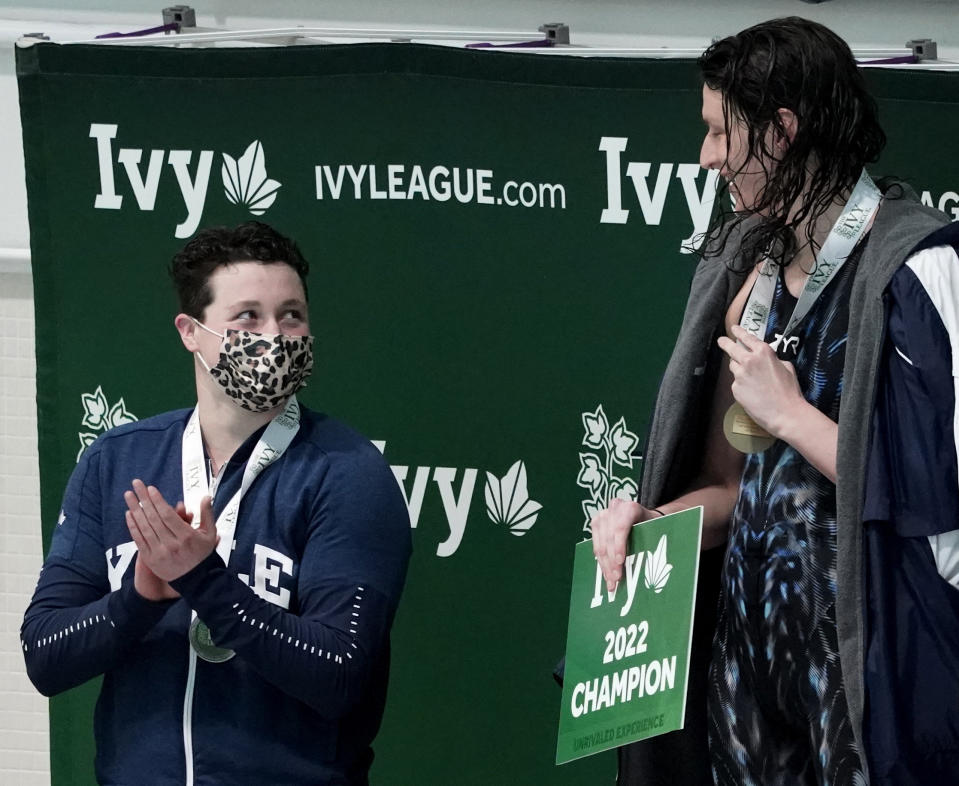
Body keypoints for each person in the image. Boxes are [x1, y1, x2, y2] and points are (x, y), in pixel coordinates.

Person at [590, 17, 959, 786]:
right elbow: (735, 487)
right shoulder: (744, 275)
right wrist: (651, 525)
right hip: (749, 682)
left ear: (781, 130)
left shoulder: (918, 271)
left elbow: (939, 508)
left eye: (720, 133)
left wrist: (793, 415)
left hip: (866, 686)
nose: (707, 158)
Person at [21, 221, 412, 785]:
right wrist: (140, 596)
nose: (275, 336)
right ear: (191, 332)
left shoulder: (347, 473)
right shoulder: (117, 461)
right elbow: (45, 655)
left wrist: (205, 583)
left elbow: (340, 674)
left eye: (292, 315)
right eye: (247, 316)